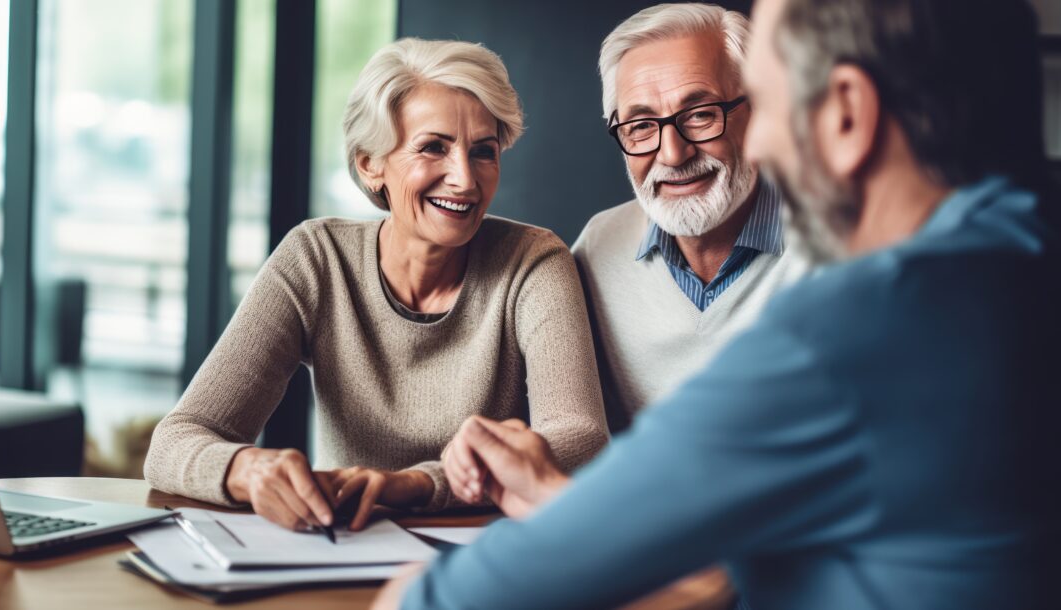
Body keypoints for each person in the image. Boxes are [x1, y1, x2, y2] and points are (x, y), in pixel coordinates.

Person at [376, 0, 1061, 608]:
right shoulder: (1014, 259)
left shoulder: (864, 325)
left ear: (848, 113)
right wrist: (564, 504)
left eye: (763, 103)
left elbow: (458, 599)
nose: (757, 142)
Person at [144, 38, 608, 533]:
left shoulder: (534, 262)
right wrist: (247, 470)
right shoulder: (317, 257)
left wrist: (421, 485)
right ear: (370, 163)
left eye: (483, 152)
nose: (465, 180)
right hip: (346, 545)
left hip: (487, 559)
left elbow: (580, 437)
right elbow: (175, 441)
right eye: (434, 147)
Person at [576, 3, 808, 433]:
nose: (672, 154)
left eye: (700, 115)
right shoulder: (596, 249)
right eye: (641, 125)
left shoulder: (837, 242)